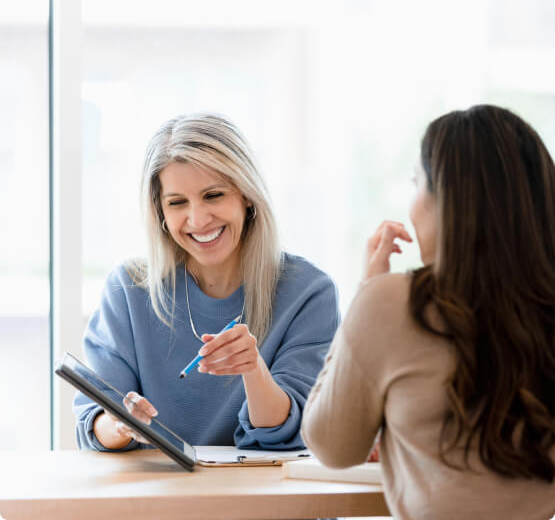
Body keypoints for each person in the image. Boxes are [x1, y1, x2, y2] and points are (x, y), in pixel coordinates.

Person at [301, 105, 555, 519]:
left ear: (449, 200)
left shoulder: (390, 302)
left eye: (416, 182)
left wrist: (367, 294)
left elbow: (333, 446)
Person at [74, 113, 340, 451]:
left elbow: (290, 431)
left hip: (261, 497)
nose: (198, 220)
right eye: (177, 203)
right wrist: (121, 423)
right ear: (160, 212)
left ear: (246, 195)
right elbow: (93, 422)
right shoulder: (127, 289)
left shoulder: (308, 293)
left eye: (214, 195)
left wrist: (253, 369)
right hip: (148, 497)